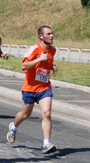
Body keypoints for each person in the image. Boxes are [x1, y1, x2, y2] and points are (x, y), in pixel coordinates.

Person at [6, 25, 58, 154]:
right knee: (25, 114)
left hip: (44, 87)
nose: (51, 36)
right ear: (41, 36)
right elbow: (24, 66)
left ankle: (46, 143)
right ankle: (14, 127)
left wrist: (52, 67)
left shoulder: (53, 50)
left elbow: (48, 62)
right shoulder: (33, 49)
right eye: (48, 34)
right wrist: (39, 58)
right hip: (30, 88)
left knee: (47, 114)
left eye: (52, 34)